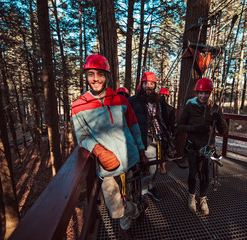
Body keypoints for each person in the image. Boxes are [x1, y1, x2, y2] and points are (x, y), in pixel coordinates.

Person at [71, 54, 148, 239]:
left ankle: (124, 228)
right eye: (91, 74)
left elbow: (134, 127)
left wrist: (141, 151)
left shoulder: (120, 100)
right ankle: (137, 210)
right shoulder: (78, 106)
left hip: (130, 160)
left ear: (107, 76)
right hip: (107, 167)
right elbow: (82, 137)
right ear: (87, 77)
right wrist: (97, 149)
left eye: (100, 74)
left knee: (130, 196)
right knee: (114, 208)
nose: (95, 78)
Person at [177, 78, 228, 215]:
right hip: (193, 147)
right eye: (200, 93)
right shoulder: (190, 106)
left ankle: (203, 197)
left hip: (207, 147)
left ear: (210, 93)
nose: (203, 96)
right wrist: (195, 128)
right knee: (192, 174)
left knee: (205, 176)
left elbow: (224, 131)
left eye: (206, 93)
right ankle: (191, 196)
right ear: (197, 92)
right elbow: (180, 125)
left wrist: (220, 119)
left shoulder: (215, 108)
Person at [128, 71, 171, 202]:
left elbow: (164, 118)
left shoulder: (158, 101)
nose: (148, 86)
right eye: (146, 83)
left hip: (159, 139)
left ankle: (151, 187)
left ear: (155, 85)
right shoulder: (134, 101)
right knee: (148, 168)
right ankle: (142, 192)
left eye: (151, 83)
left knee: (156, 166)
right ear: (142, 84)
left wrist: (168, 134)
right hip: (144, 141)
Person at [158, 88, 176, 174]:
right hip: (164, 132)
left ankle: (160, 167)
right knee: (164, 150)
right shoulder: (171, 109)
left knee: (160, 149)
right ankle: (162, 168)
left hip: (159, 131)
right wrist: (172, 132)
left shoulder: (156, 107)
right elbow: (172, 123)